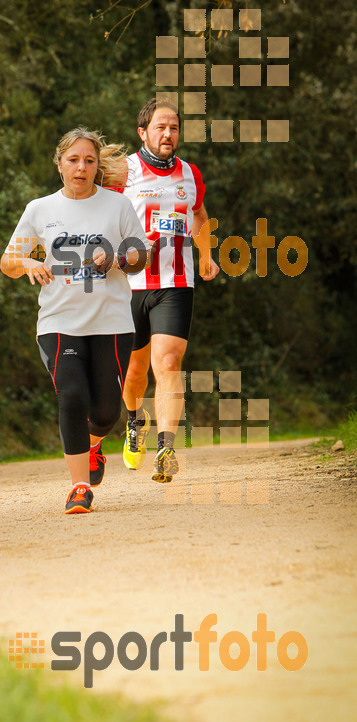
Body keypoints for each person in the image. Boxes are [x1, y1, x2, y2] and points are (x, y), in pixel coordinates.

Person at [0, 128, 148, 514]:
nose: (81, 167)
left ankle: (96, 444)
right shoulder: (39, 209)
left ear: (98, 167)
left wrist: (116, 257)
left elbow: (140, 254)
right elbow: (7, 261)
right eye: (73, 160)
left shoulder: (117, 206)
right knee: (71, 395)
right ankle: (79, 487)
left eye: (89, 161)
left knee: (105, 412)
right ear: (60, 164)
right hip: (58, 321)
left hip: (111, 322)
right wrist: (29, 261)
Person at [117, 98, 219, 482]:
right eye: (160, 127)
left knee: (169, 364)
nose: (168, 134)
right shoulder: (122, 170)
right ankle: (133, 421)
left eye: (174, 127)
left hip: (176, 284)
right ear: (142, 132)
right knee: (133, 373)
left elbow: (200, 215)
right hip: (128, 287)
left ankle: (165, 448)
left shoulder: (190, 174)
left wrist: (206, 254)